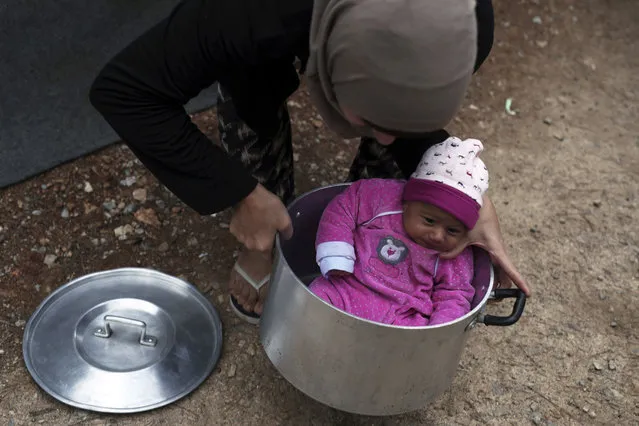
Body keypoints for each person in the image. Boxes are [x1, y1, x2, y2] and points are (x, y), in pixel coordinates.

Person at [89, 0, 530, 324]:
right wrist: (239, 191)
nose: (387, 137)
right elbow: (126, 92)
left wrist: (462, 189)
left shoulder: (468, 25)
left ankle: (376, 236)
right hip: (271, 19)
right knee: (252, 81)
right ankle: (263, 231)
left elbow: (404, 112)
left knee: (394, 128)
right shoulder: (245, 16)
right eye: (370, 119)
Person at [309, 137, 488, 326]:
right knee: (316, 298)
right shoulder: (382, 199)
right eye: (429, 220)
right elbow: (344, 208)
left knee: (412, 344)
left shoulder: (455, 253)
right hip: (348, 285)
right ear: (408, 202)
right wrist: (337, 256)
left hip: (403, 314)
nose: (437, 235)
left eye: (452, 230)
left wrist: (439, 329)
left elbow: (455, 294)